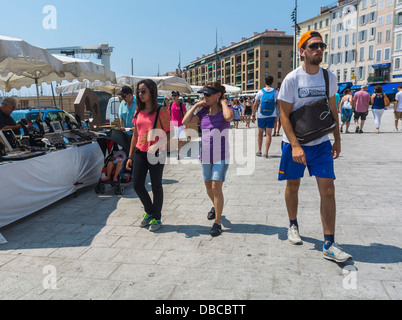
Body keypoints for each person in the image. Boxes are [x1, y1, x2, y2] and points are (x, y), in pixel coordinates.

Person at [277, 30, 352, 263]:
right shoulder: (292, 79)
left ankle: (329, 243)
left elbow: (333, 111)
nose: (319, 49)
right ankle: (292, 224)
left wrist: (337, 139)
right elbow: (283, 116)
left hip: (320, 143)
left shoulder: (329, 78)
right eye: (313, 46)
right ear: (302, 52)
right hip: (295, 143)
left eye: (321, 45)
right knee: (293, 185)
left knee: (328, 190)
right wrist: (296, 146)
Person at [182, 82, 234, 237]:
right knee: (208, 188)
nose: (205, 97)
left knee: (216, 187)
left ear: (217, 95)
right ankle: (216, 207)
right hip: (205, 155)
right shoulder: (203, 112)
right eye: (203, 95)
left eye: (208, 94)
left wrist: (223, 101)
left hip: (221, 156)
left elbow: (229, 117)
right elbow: (185, 122)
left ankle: (217, 222)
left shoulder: (225, 109)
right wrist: (196, 105)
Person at [126, 79, 171, 232]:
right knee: (137, 184)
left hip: (157, 153)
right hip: (140, 152)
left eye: (143, 91)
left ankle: (156, 217)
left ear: (152, 92)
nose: (140, 94)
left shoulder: (162, 110)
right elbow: (135, 135)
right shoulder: (138, 111)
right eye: (138, 91)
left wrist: (157, 145)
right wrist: (130, 156)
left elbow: (170, 133)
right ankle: (149, 211)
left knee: (156, 185)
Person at [252, 76, 278, 158]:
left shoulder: (260, 91)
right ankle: (266, 152)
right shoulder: (275, 92)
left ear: (265, 81)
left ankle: (259, 150)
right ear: (272, 82)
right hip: (272, 114)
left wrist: (253, 115)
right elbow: (279, 104)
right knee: (268, 134)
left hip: (261, 115)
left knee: (260, 133)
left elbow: (255, 104)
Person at [169, 91, 187, 160]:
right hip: (173, 124)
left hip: (181, 124)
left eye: (175, 95)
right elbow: (169, 114)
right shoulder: (170, 104)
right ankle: (177, 149)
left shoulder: (182, 105)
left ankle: (178, 153)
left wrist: (185, 125)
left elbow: (185, 115)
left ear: (178, 96)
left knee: (180, 140)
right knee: (173, 139)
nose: (173, 97)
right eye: (173, 95)